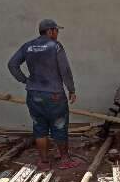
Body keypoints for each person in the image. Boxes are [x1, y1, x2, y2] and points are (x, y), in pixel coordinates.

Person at [8, 19, 80, 170]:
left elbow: (12, 64)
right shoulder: (55, 46)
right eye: (56, 30)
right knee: (59, 126)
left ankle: (44, 162)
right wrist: (71, 89)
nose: (57, 33)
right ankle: (65, 159)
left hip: (33, 94)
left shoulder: (27, 46)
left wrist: (25, 80)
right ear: (50, 31)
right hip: (54, 94)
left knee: (39, 126)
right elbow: (65, 70)